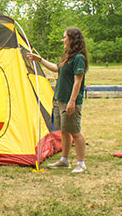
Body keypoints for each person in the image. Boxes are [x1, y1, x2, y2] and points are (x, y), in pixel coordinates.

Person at [26, 27, 89, 173]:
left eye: (65, 37)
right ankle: (64, 160)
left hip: (69, 100)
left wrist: (72, 101)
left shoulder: (79, 58)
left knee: (75, 131)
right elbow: (56, 68)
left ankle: (81, 163)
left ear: (72, 39)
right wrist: (39, 59)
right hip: (60, 99)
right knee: (64, 131)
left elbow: (78, 81)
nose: (63, 40)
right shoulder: (67, 55)